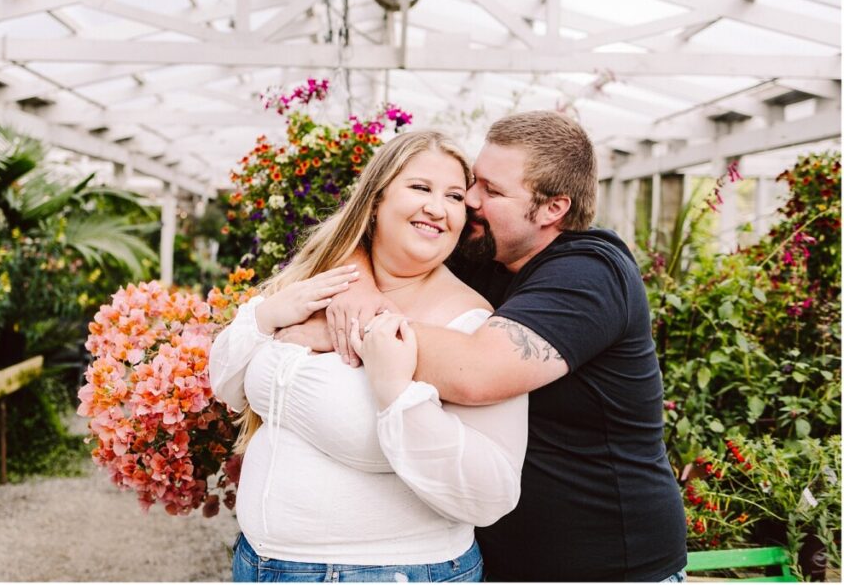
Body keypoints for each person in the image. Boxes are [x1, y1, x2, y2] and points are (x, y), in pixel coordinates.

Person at [308, 111, 687, 581]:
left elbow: (477, 373)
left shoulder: (590, 274)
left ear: (552, 209)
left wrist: (345, 329)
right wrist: (359, 287)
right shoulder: (486, 250)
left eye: (492, 190)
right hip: (497, 560)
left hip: (611, 568)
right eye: (474, 181)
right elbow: (374, 230)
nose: (470, 199)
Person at [209, 131, 528, 583]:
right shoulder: (321, 280)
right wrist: (267, 316)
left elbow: (492, 494)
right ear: (376, 200)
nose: (437, 208)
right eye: (420, 187)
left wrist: (396, 392)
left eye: (454, 196)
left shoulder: (470, 325)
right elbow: (225, 384)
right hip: (259, 563)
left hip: (388, 570)